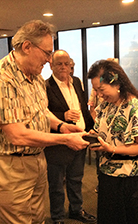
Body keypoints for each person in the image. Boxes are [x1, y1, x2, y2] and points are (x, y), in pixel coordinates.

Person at [0, 20, 91, 224]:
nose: (49, 60)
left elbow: (40, 111)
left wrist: (60, 126)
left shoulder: (35, 75)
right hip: (9, 163)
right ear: (27, 46)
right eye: (46, 53)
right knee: (16, 220)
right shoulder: (0, 79)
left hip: (36, 157)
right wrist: (64, 140)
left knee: (37, 217)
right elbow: (17, 135)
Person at [87, 59, 138, 224]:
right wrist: (94, 135)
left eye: (101, 89)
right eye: (96, 90)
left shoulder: (134, 107)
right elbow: (105, 131)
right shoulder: (106, 106)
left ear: (116, 83)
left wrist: (112, 148)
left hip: (129, 177)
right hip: (107, 173)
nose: (99, 94)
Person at [44, 50, 96, 224]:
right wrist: (63, 115)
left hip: (80, 138)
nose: (64, 67)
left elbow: (82, 109)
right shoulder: (45, 86)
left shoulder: (76, 82)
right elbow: (42, 115)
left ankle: (76, 210)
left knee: (76, 179)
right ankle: (57, 217)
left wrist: (91, 129)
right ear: (51, 65)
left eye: (67, 64)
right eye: (59, 64)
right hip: (58, 142)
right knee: (57, 184)